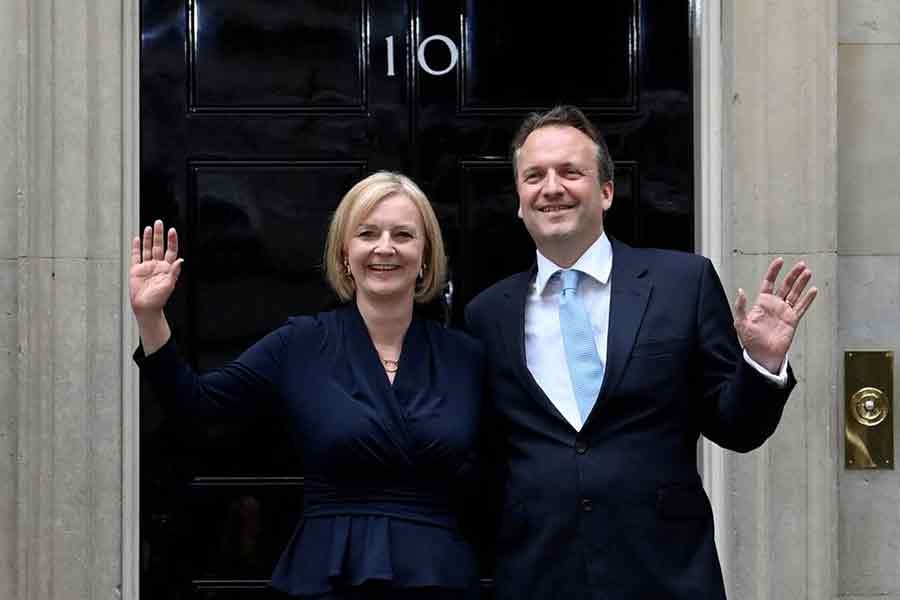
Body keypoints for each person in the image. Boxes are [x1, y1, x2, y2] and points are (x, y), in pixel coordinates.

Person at [464, 106, 817, 599]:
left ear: (606, 191)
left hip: (665, 573)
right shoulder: (486, 314)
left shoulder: (682, 284)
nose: (552, 187)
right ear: (520, 201)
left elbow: (736, 429)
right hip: (537, 575)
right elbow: (484, 456)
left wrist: (761, 364)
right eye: (534, 176)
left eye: (571, 172)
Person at [130, 172, 484, 599]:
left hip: (437, 576)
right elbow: (198, 409)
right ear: (344, 253)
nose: (385, 247)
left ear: (425, 255)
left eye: (404, 235)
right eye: (368, 233)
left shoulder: (467, 357)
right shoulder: (300, 344)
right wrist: (151, 317)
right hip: (329, 574)